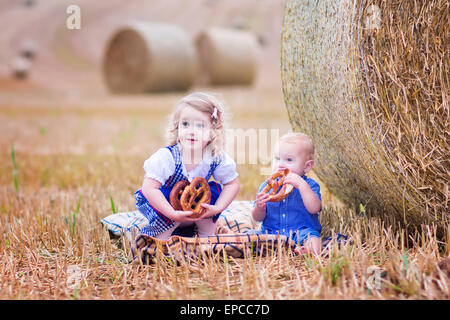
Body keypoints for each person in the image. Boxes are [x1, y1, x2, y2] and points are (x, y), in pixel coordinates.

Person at [134, 92, 240, 239]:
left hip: (198, 209)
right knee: (164, 199)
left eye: (200, 126)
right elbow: (149, 188)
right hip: (167, 210)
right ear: (177, 127)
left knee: (213, 191)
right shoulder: (168, 157)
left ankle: (205, 236)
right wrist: (172, 214)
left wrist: (217, 208)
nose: (191, 131)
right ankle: (162, 239)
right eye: (185, 124)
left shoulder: (215, 157)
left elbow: (232, 184)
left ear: (213, 131)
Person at [251, 132, 322, 255]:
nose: (281, 164)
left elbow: (314, 209)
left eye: (289, 160)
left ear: (307, 166)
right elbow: (257, 218)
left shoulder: (309, 185)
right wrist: (259, 207)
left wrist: (301, 185)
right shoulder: (267, 186)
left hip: (301, 232)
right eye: (277, 158)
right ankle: (259, 248)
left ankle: (305, 250)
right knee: (250, 236)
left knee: (314, 240)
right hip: (271, 232)